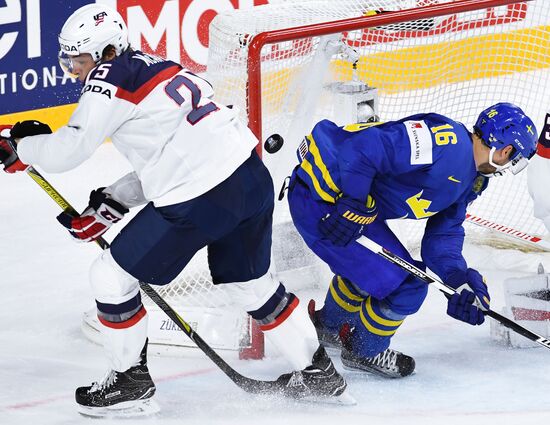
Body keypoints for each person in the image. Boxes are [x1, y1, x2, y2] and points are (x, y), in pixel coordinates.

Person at [0, 4, 350, 417]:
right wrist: (113, 201)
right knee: (251, 285)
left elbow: (71, 149)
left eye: (79, 60)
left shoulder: (109, 76)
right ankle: (318, 373)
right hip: (250, 179)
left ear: (107, 52)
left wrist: (22, 146)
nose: (74, 71)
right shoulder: (160, 67)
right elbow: (172, 157)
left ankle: (129, 384)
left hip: (201, 197)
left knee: (110, 278)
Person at [286, 103, 538, 378]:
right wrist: (354, 201)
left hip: (340, 205)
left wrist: (459, 281)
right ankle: (362, 349)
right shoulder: (446, 141)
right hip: (325, 202)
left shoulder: (473, 179)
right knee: (409, 285)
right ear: (506, 150)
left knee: (375, 272)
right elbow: (364, 147)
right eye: (515, 159)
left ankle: (328, 327)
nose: (509, 167)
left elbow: (443, 236)